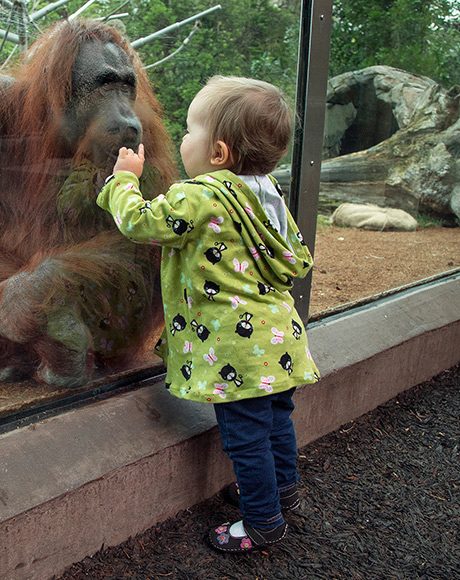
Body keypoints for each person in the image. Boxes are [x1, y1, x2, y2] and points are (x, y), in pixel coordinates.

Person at [96, 76, 320, 553]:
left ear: (217, 153)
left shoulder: (202, 195)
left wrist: (124, 181)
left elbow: (141, 222)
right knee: (277, 420)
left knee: (245, 438)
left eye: (190, 129)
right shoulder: (268, 192)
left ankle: (263, 522)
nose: (181, 139)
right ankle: (283, 491)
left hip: (236, 351)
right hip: (279, 341)